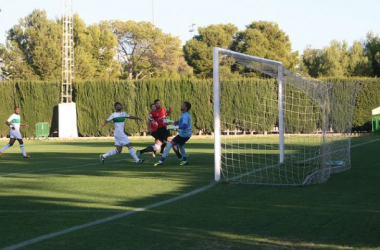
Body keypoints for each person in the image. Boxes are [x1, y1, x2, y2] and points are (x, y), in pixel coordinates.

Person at [154, 101, 192, 166]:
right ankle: (185, 160)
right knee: (180, 145)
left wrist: (173, 127)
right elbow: (179, 122)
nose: (181, 106)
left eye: (182, 105)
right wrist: (169, 121)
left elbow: (184, 126)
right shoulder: (185, 114)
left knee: (169, 144)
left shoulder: (185, 115)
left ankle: (161, 160)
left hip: (184, 135)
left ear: (186, 107)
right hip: (185, 134)